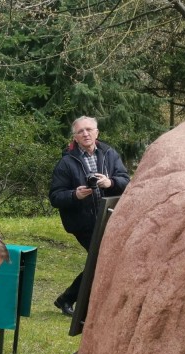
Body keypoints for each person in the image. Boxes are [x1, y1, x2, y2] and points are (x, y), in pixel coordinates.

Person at [48, 116, 130, 317]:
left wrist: (110, 183)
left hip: (108, 217)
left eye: (89, 130)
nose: (85, 134)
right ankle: (70, 298)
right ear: (75, 137)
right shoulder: (66, 162)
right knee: (101, 260)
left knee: (102, 260)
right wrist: (75, 195)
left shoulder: (109, 154)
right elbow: (55, 196)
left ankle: (69, 298)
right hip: (82, 223)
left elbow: (126, 180)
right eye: (80, 131)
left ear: (97, 132)